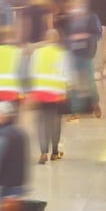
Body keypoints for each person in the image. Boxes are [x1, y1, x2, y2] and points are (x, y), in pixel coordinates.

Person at [26, 30, 70, 164]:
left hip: (41, 93)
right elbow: (67, 75)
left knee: (42, 123)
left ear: (46, 39)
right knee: (55, 123)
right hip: (57, 94)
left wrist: (31, 92)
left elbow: (31, 73)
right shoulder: (63, 54)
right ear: (57, 40)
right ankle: (55, 152)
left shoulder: (37, 53)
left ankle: (43, 152)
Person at [59, 0, 103, 118]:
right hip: (72, 52)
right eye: (74, 4)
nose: (75, 6)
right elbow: (64, 36)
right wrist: (68, 40)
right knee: (74, 83)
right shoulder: (68, 19)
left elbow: (98, 34)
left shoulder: (91, 17)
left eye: (78, 3)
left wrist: (85, 36)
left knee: (89, 80)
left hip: (86, 52)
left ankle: (95, 103)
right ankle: (75, 110)